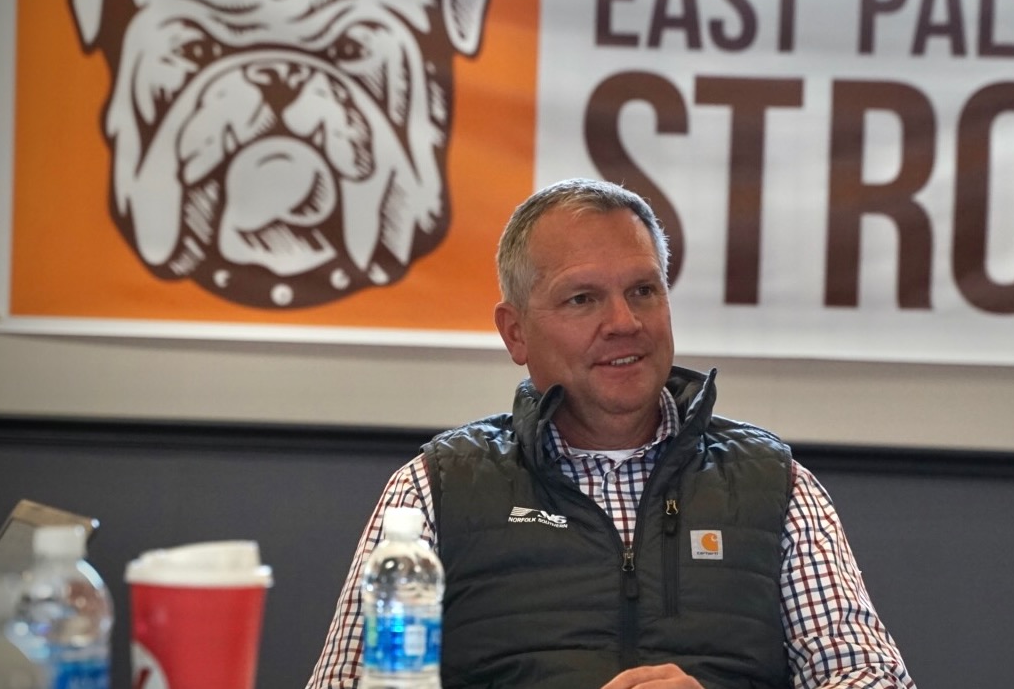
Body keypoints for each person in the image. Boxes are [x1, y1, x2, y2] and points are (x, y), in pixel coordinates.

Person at [307, 178, 916, 689]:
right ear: (515, 333)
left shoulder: (772, 484)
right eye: (582, 299)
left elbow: (870, 677)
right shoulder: (433, 490)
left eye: (643, 291)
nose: (624, 323)